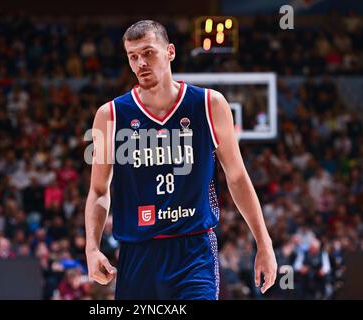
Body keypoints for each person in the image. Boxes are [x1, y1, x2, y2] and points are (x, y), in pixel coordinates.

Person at [85, 20, 277, 300]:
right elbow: (99, 190)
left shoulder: (210, 105)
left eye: (148, 52)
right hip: (137, 254)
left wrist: (264, 242)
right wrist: (92, 248)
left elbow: (237, 178)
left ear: (170, 52)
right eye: (133, 56)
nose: (141, 63)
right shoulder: (110, 115)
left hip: (193, 251)